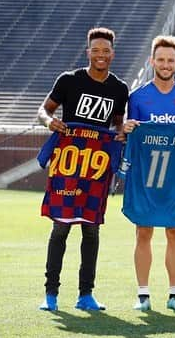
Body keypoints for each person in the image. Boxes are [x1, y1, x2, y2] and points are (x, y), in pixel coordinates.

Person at [37, 27, 129, 311]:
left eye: (106, 51)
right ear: (88, 52)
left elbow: (116, 123)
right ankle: (50, 294)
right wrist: (48, 122)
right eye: (96, 50)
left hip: (97, 166)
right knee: (61, 228)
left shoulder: (119, 88)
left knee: (91, 230)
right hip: (67, 163)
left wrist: (120, 132)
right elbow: (44, 110)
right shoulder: (69, 80)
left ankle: (85, 295)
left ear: (112, 54)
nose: (100, 55)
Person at [123, 35, 175, 312]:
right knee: (143, 231)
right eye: (161, 59)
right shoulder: (138, 97)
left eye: (170, 60)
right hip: (145, 176)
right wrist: (128, 128)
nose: (165, 64)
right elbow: (129, 137)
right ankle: (143, 294)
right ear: (152, 61)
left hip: (174, 177)